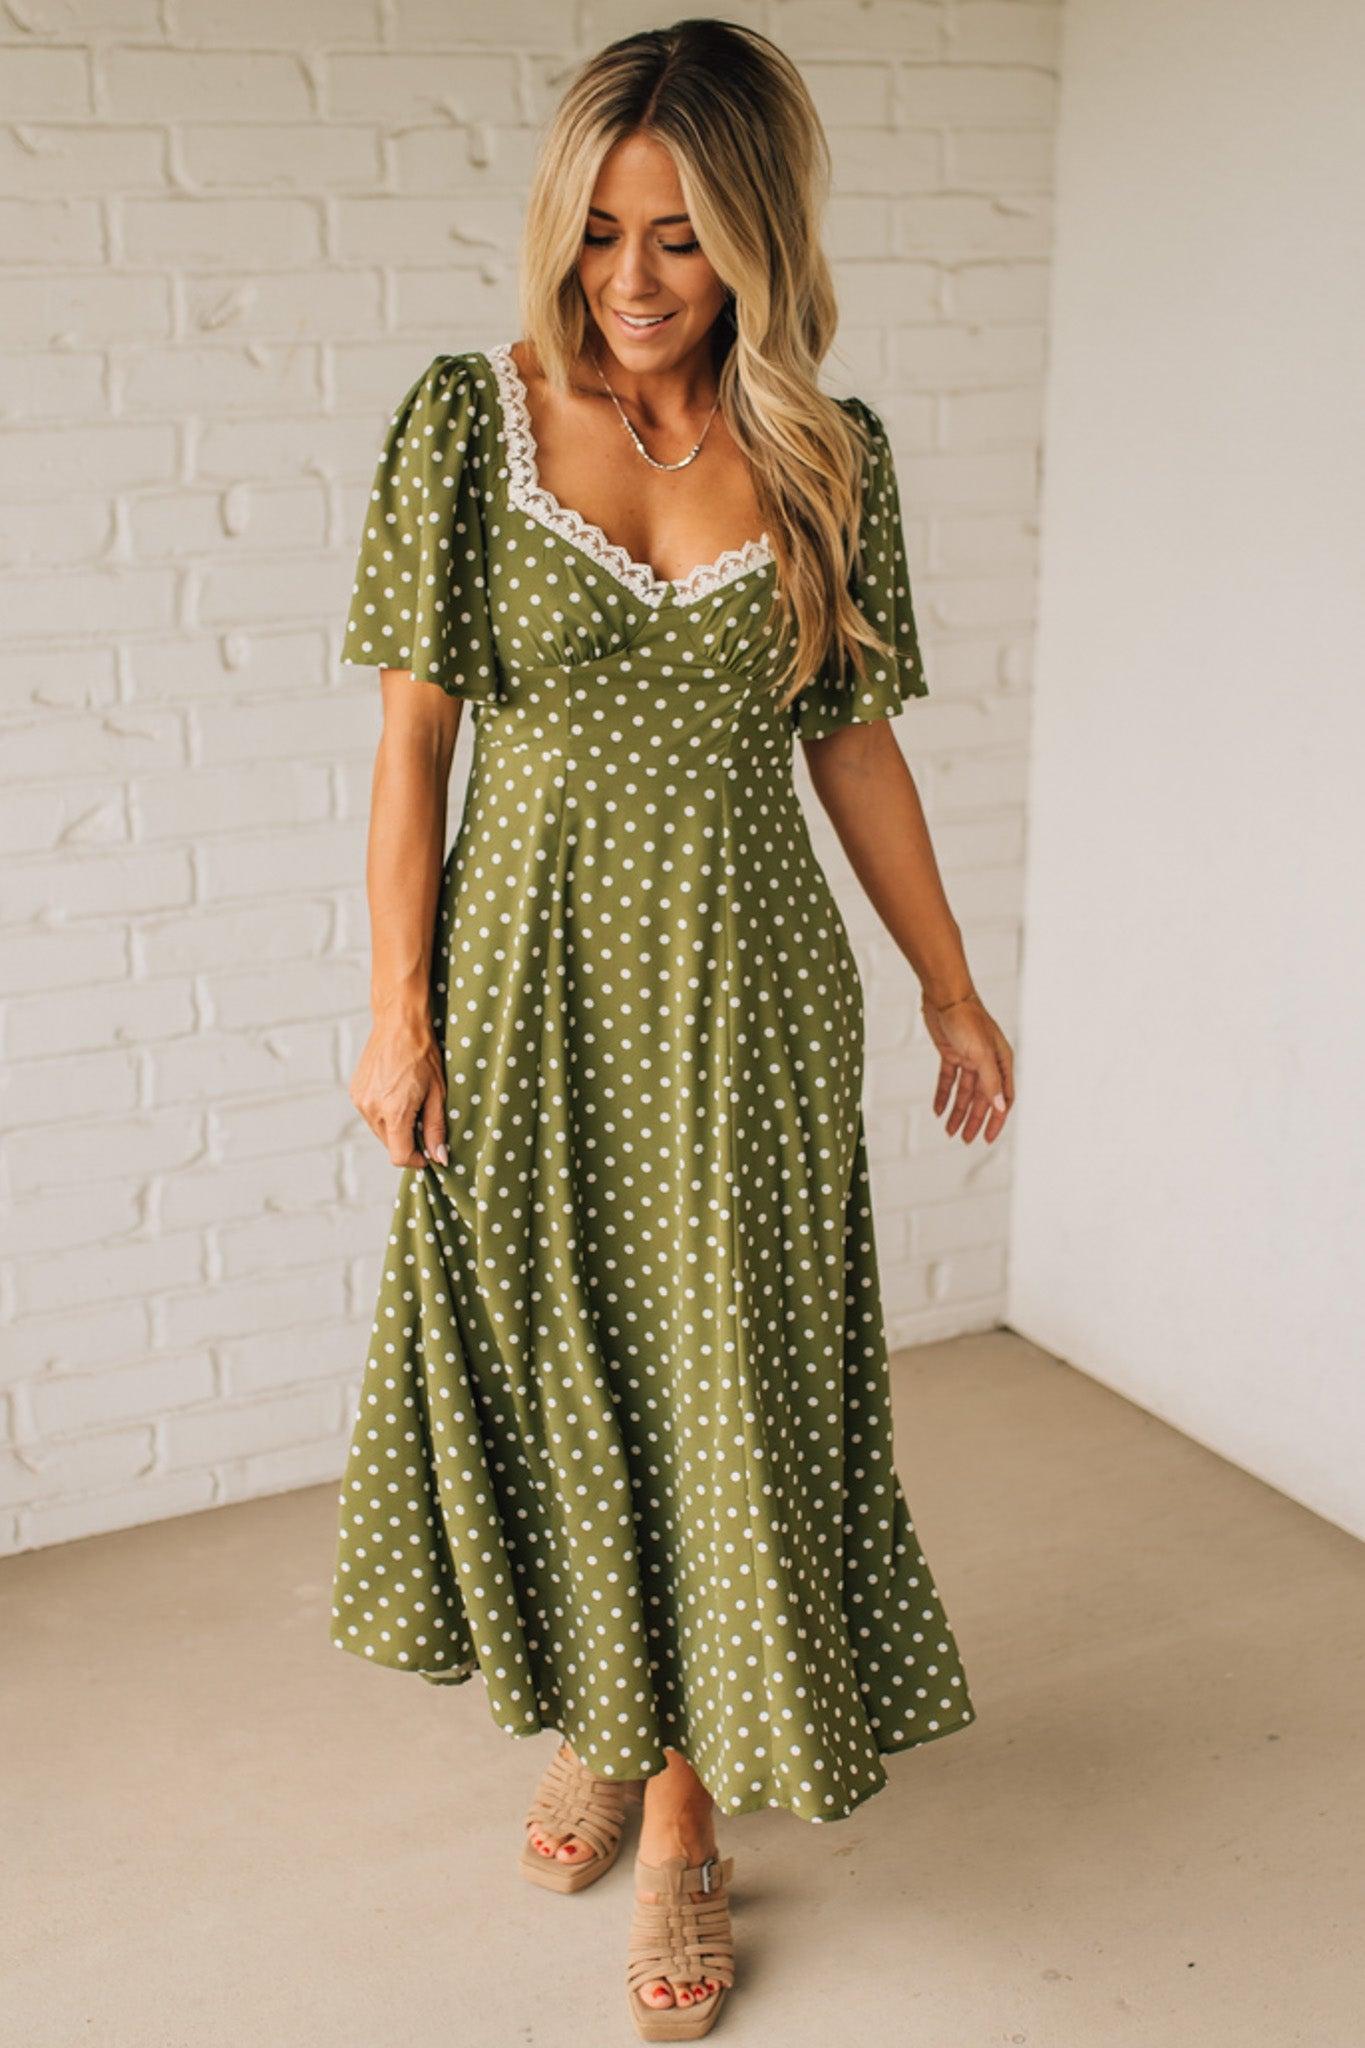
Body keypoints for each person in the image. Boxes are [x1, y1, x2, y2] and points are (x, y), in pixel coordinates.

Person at [331, 19, 1013, 2040]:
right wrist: (394, 1010)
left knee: (720, 1396)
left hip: (742, 1008)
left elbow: (854, 748)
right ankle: (603, 1725)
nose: (634, 282)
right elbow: (410, 746)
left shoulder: (824, 450)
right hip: (524, 992)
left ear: (758, 245)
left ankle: (687, 1815)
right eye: (605, 232)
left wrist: (950, 980)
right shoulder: (469, 420)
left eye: (686, 241)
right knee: (563, 1372)